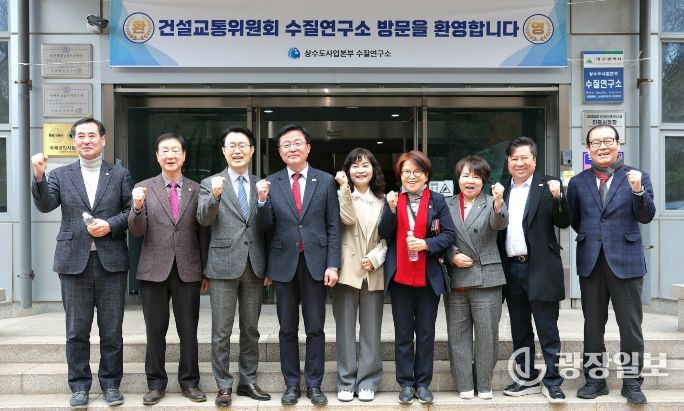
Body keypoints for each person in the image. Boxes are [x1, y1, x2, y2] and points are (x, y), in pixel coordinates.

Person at [31, 117, 132, 408]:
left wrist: (110, 225)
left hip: (111, 262)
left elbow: (132, 212)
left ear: (103, 140)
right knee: (76, 331)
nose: (86, 140)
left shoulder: (119, 174)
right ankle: (79, 387)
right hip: (73, 261)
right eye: (81, 136)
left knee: (111, 331)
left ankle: (111, 385)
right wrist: (39, 176)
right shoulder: (60, 174)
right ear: (74, 141)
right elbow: (46, 205)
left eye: (92, 135)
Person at [567, 124, 655, 405]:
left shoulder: (637, 176)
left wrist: (638, 191)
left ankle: (632, 382)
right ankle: (595, 380)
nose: (602, 147)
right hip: (591, 261)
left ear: (618, 143)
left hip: (626, 261)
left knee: (630, 325)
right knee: (593, 325)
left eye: (608, 141)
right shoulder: (578, 182)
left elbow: (646, 216)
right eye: (595, 142)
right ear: (588, 148)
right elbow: (575, 219)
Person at [256, 124, 341, 406]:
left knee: (315, 328)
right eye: (286, 145)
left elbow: (333, 226)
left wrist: (333, 264)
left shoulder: (325, 180)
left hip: (316, 263)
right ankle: (291, 384)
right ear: (280, 152)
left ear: (308, 148)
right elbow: (264, 227)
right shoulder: (271, 183)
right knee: (287, 328)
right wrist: (261, 201)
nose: (292, 148)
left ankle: (314, 384)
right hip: (283, 265)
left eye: (297, 143)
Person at [128, 132, 207, 405]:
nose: (170, 155)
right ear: (157, 156)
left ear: (184, 156)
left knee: (189, 330)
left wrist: (205, 270)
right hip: (154, 270)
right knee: (155, 330)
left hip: (188, 268)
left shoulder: (197, 189)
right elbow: (136, 230)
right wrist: (137, 207)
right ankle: (156, 384)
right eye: (165, 151)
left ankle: (190, 382)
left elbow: (203, 232)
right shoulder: (143, 188)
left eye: (175, 150)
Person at [197, 127, 271, 407]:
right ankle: (223, 385)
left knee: (251, 328)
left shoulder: (261, 184)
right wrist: (215, 196)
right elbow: (203, 219)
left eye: (243, 145)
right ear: (224, 151)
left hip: (255, 264)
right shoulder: (209, 182)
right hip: (222, 265)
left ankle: (248, 380)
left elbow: (267, 227)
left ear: (252, 150)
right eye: (232, 145)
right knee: (221, 331)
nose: (237, 150)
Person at [378, 150, 455, 405]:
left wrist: (426, 244)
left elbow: (449, 235)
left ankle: (423, 383)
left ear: (427, 175)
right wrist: (390, 210)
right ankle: (405, 383)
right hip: (400, 277)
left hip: (427, 277)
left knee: (425, 333)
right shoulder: (393, 199)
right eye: (407, 172)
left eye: (417, 172)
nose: (411, 176)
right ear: (400, 174)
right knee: (402, 334)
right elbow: (384, 233)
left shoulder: (438, 200)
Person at [497, 137, 570, 403]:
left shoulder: (549, 185)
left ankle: (553, 381)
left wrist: (559, 197)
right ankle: (526, 377)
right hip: (512, 269)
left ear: (534, 160)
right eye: (514, 158)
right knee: (520, 328)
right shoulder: (501, 189)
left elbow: (564, 221)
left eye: (524, 158)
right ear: (508, 161)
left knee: (547, 328)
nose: (519, 163)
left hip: (541, 268)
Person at [445, 155, 507, 400]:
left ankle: (484, 383)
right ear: (458, 178)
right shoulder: (446, 204)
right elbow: (440, 237)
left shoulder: (493, 201)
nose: (470, 181)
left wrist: (499, 201)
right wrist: (452, 255)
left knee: (486, 335)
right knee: (457, 334)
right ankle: (464, 384)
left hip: (486, 277)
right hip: (457, 278)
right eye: (465, 175)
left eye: (476, 176)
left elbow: (499, 224)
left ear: (484, 181)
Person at [333, 148, 388, 403]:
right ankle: (345, 381)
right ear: (347, 171)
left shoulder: (384, 200)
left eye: (365, 165)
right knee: (344, 329)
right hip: (346, 271)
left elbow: (388, 237)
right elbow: (346, 220)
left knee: (371, 329)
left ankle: (368, 381)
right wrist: (344, 188)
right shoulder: (340, 196)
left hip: (373, 270)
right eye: (355, 166)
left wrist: (376, 257)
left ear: (373, 169)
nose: (361, 170)